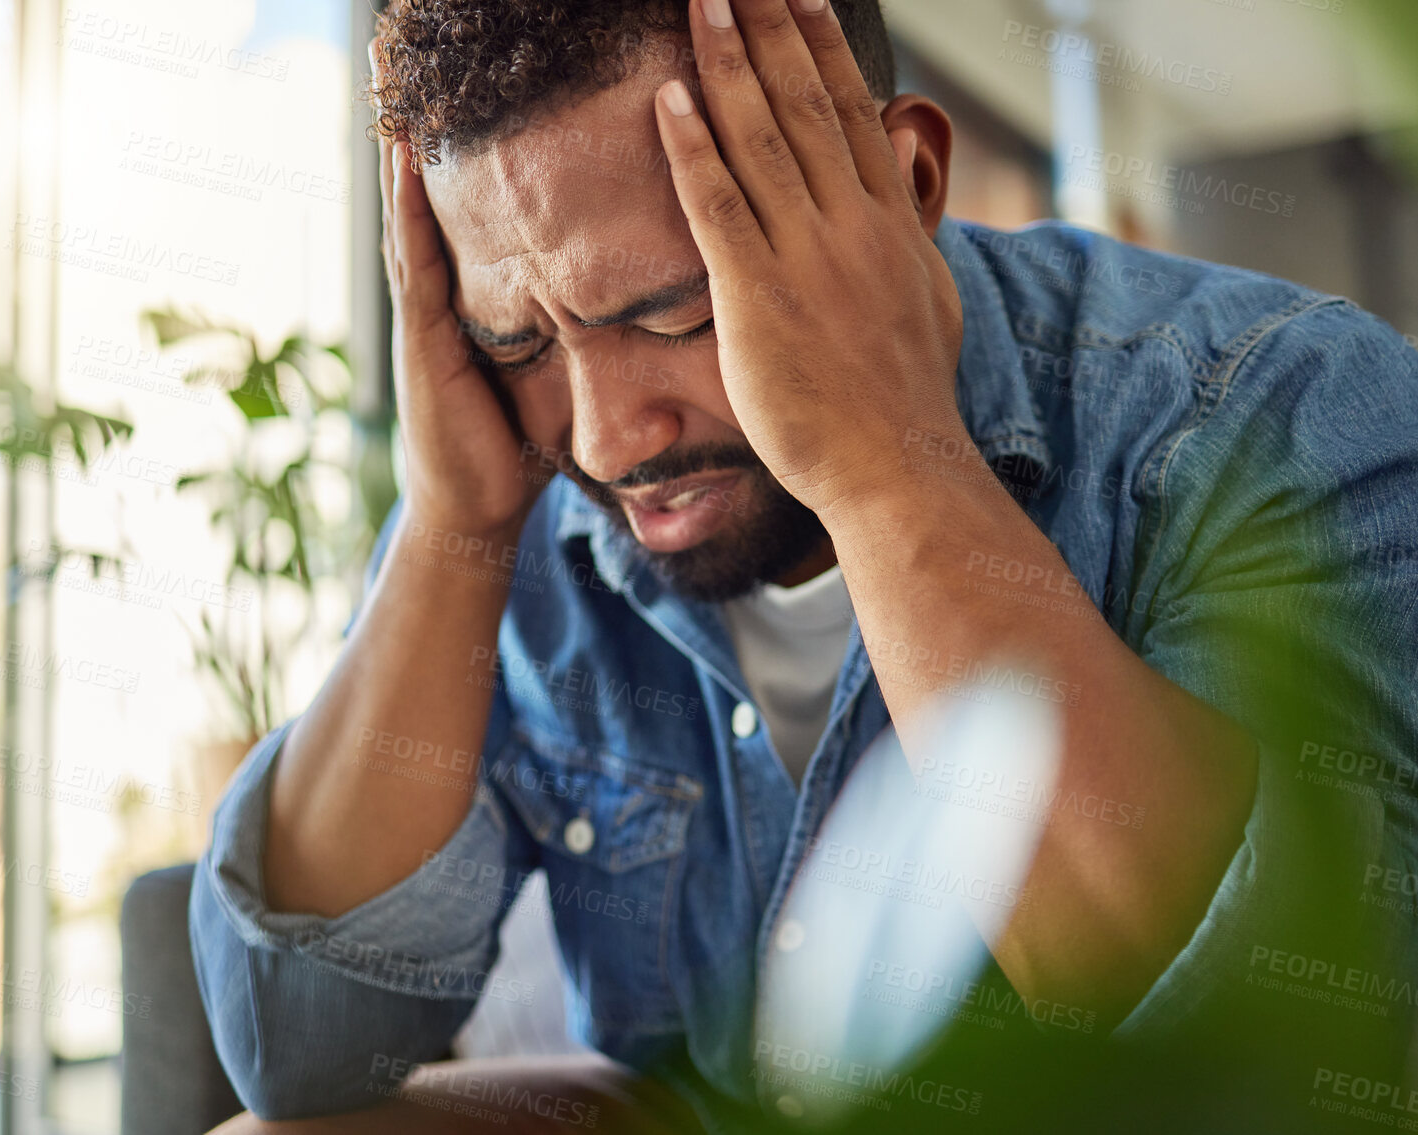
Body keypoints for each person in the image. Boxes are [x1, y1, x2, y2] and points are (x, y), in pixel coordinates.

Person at [192, 1, 1418, 1131]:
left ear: (909, 184)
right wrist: (455, 520)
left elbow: (1286, 1058)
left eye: (677, 313)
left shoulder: (1275, 407)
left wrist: (887, 461)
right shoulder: (526, 470)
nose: (611, 439)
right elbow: (300, 1045)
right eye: (516, 338)